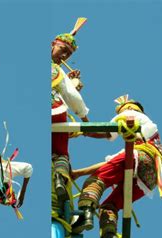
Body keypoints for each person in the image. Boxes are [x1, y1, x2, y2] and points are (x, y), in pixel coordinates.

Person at [72, 95, 162, 238]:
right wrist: (78, 173)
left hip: (140, 157)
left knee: (94, 182)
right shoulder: (141, 138)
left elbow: (106, 131)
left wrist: (82, 130)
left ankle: (86, 215)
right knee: (109, 206)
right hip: (149, 178)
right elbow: (111, 165)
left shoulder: (130, 115)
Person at [51, 18, 90, 198]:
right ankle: (60, 176)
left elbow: (65, 88)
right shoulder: (54, 70)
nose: (65, 57)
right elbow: (72, 97)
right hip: (54, 110)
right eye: (63, 50)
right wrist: (85, 121)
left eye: (68, 55)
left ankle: (58, 176)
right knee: (61, 153)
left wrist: (71, 81)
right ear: (53, 44)